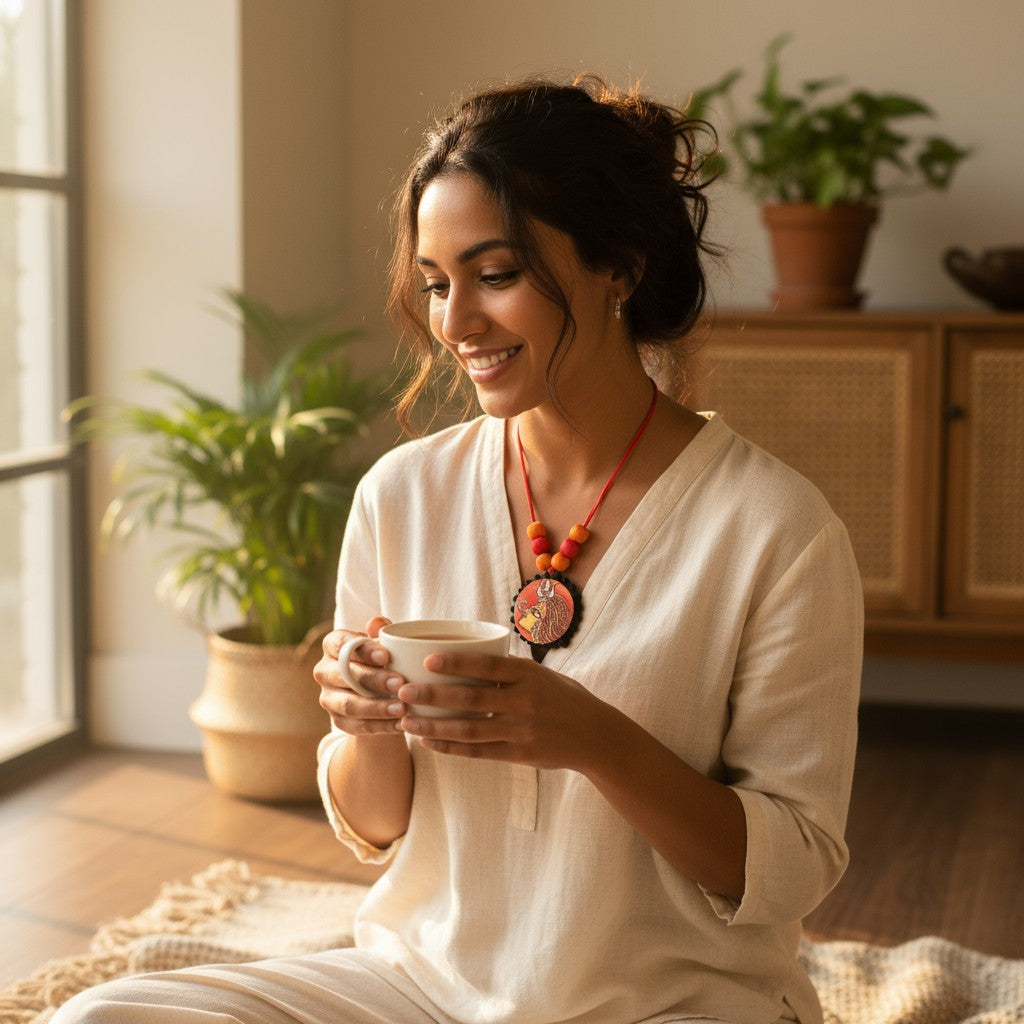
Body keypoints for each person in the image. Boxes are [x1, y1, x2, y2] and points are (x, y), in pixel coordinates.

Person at [54, 75, 863, 1024]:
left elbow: (793, 864)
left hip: (673, 1002)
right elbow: (376, 825)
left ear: (618, 267)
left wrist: (593, 740)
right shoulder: (401, 495)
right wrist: (364, 724)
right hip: (423, 988)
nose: (454, 322)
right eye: (437, 284)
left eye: (496, 274)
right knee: (97, 1019)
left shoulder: (776, 529)